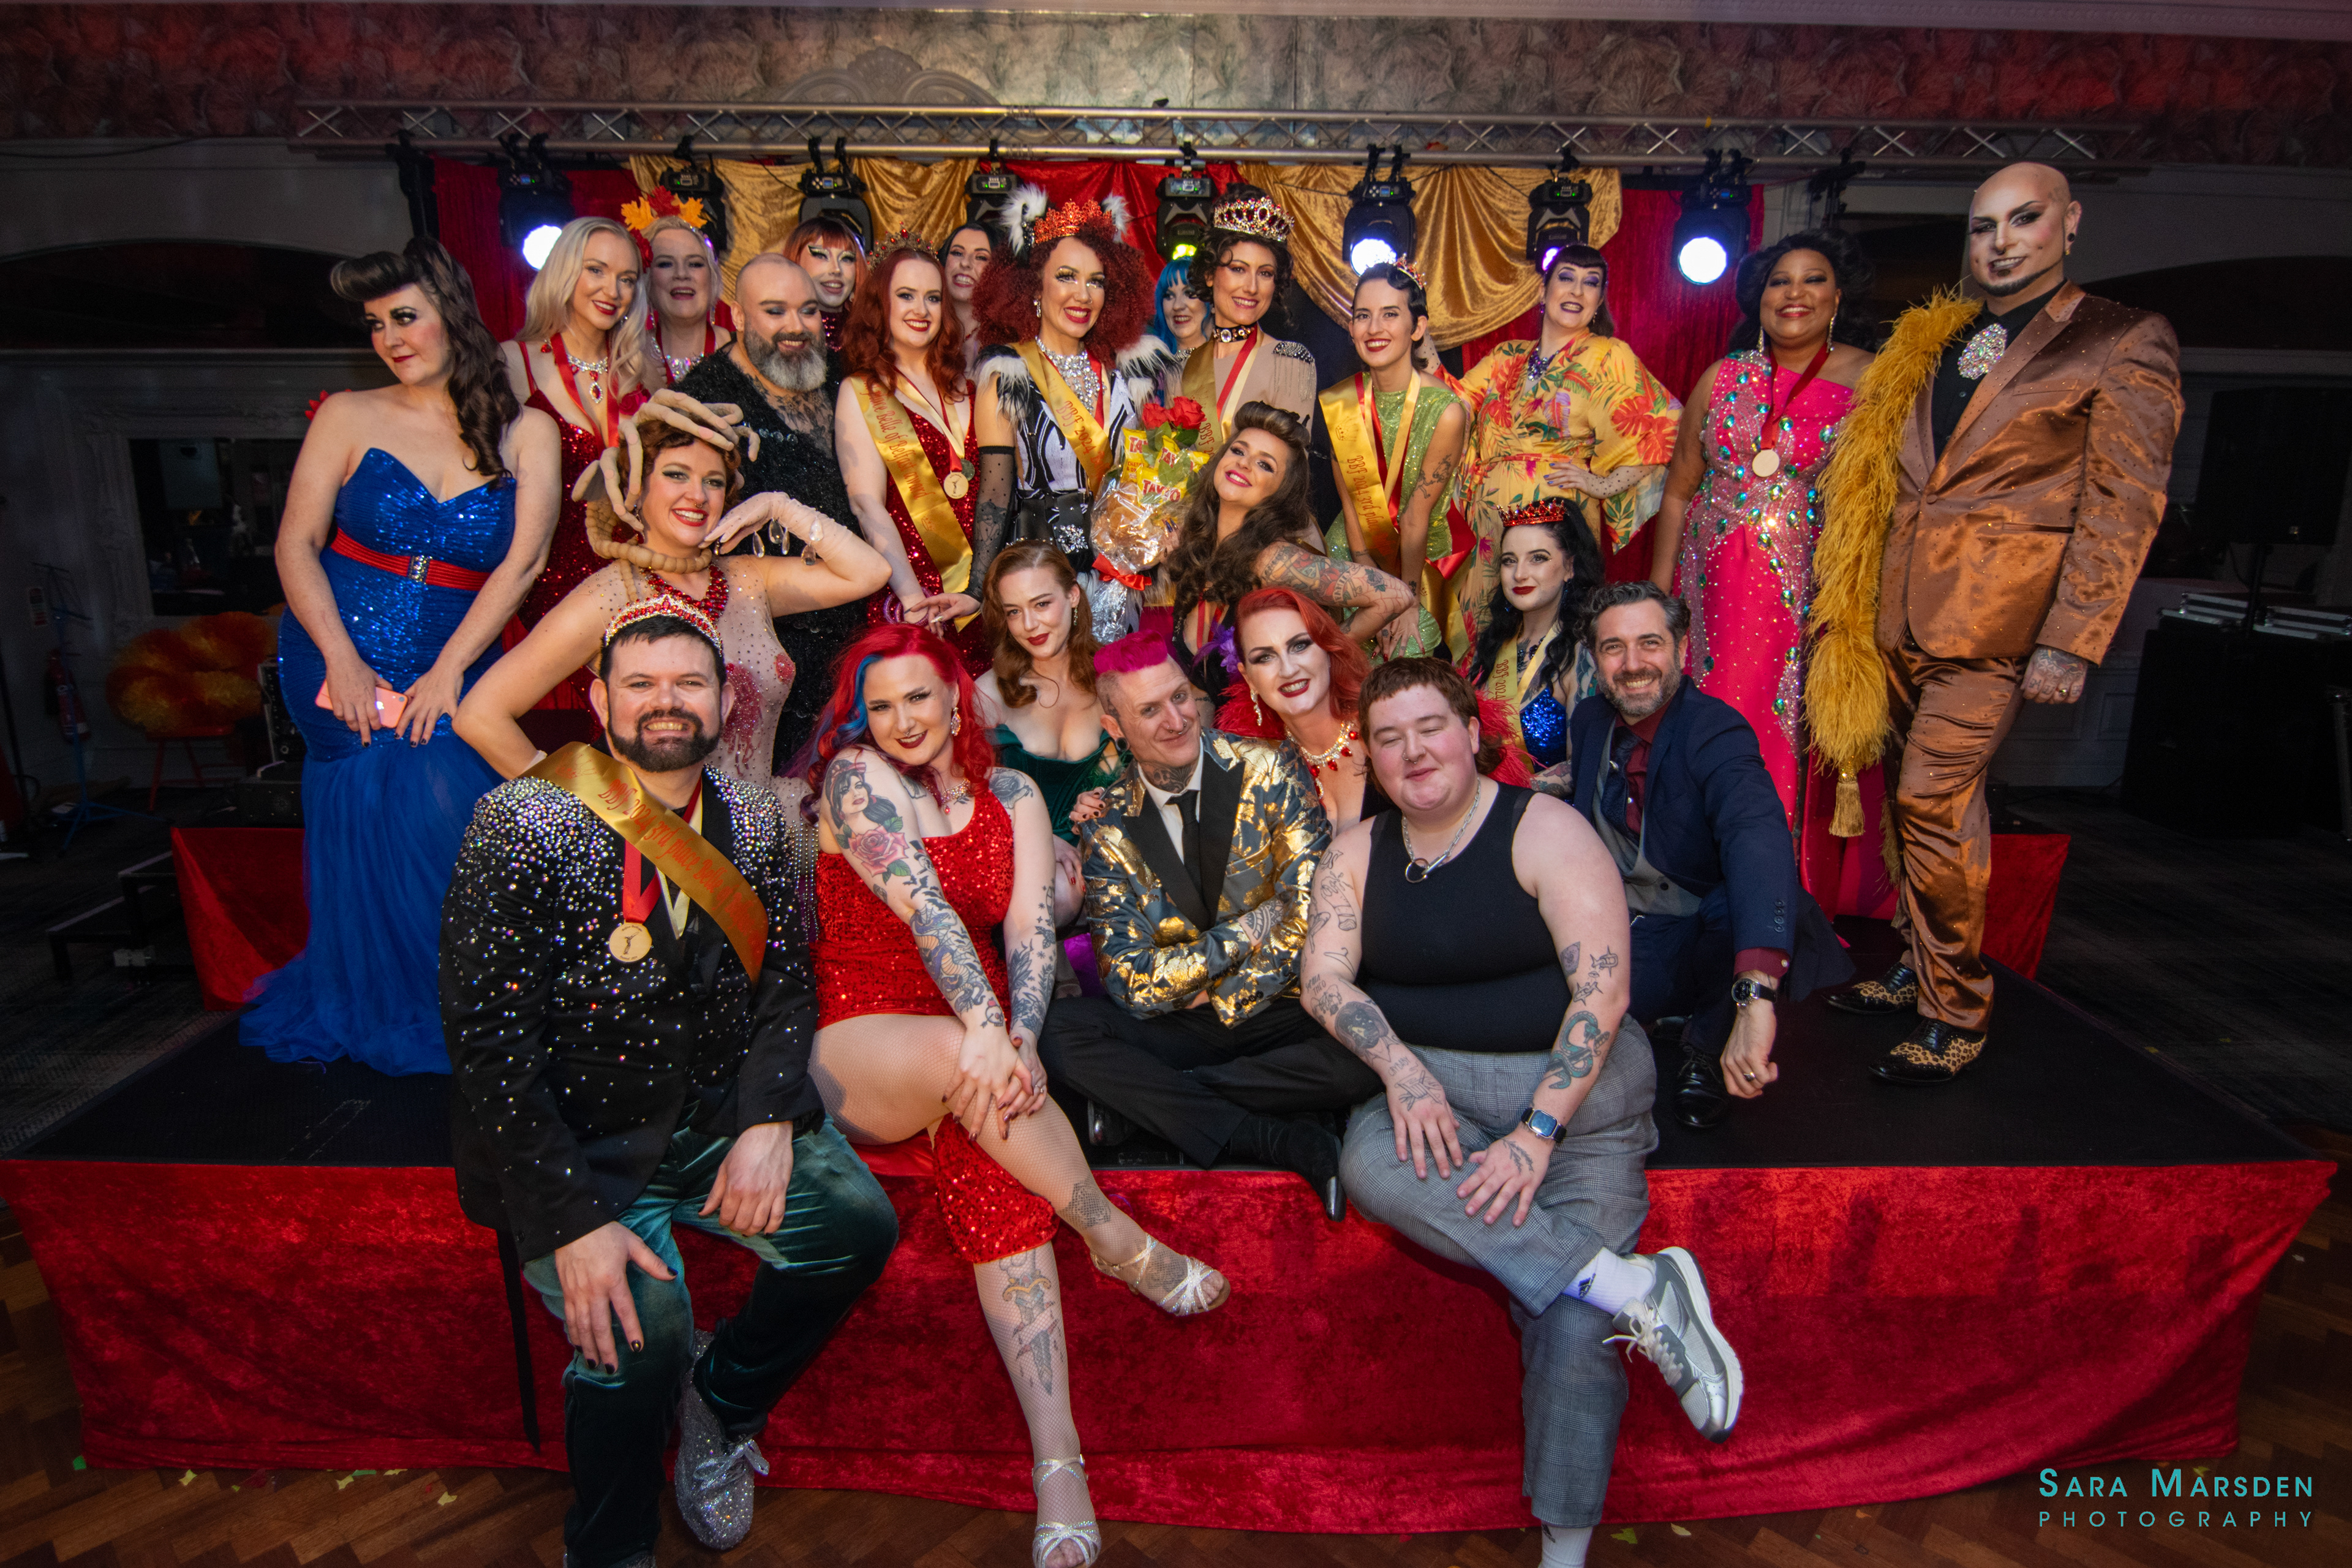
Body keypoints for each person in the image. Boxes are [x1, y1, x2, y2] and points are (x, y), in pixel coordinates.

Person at [442, 598, 899, 1564]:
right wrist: (570, 1220)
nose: (666, 701)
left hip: (714, 1117)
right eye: (641, 683)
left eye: (689, 682)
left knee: (857, 1226)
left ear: (727, 699)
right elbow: (489, 1045)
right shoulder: (523, 820)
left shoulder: (758, 821)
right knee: (636, 1340)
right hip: (579, 1148)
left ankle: (720, 1408)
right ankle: (610, 1547)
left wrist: (768, 1118)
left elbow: (786, 981)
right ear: (598, 700)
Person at [805, 623, 1231, 1568]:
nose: (902, 721)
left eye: (919, 697)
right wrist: (989, 1032)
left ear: (957, 697)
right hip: (864, 1038)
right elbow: (926, 911)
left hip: (986, 1042)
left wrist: (1023, 1035)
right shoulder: (856, 780)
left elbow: (1032, 932)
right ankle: (1113, 1238)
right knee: (965, 1061)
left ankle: (1058, 1463)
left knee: (992, 1161)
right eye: (881, 706)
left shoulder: (1014, 794)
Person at [1303, 657, 1742, 1568]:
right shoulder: (1354, 856)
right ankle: (1634, 1288)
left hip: (1577, 1102)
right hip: (1437, 1095)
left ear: (1473, 733)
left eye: (1431, 727)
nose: (1413, 751)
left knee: (1573, 1322)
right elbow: (1323, 981)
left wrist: (1540, 1131)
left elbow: (1603, 993)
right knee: (1370, 1163)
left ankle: (1565, 1549)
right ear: (1371, 757)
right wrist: (1400, 1070)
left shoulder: (1548, 829)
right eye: (1389, 738)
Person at [1811, 161, 2182, 1082]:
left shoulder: (2119, 338)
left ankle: (1957, 1008)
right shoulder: (1938, 335)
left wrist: (2071, 638)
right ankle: (1916, 961)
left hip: (1997, 624)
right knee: (1914, 807)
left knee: (1932, 802)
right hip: (1896, 611)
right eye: (1984, 227)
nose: (2002, 243)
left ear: (2071, 223)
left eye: (2024, 220)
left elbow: (2124, 503)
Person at [247, 238, 560, 1076]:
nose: (390, 338)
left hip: (457, 650)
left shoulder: (527, 430)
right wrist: (340, 659)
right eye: (376, 324)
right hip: (338, 643)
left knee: (451, 814)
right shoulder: (349, 414)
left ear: (451, 314)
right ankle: (387, 1002)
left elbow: (524, 564)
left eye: (405, 317)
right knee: (373, 807)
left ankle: (480, 1001)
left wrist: (451, 669)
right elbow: (295, 544)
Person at [1038, 631, 1379, 1223]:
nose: (1177, 721)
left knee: (1364, 1046)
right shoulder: (1107, 823)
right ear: (1115, 727)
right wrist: (1249, 929)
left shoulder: (1270, 768)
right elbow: (1130, 981)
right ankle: (1271, 1136)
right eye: (1150, 710)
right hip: (1180, 1021)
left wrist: (1225, 995)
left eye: (1180, 697)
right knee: (1060, 1033)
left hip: (1283, 1004)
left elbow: (1308, 914)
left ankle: (1148, 1104)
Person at [455, 398, 890, 812]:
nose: (698, 495)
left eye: (713, 481)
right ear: (635, 489)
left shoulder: (749, 578)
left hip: (765, 826)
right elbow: (480, 716)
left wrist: (782, 507)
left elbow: (870, 572)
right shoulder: (609, 596)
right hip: (668, 845)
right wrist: (590, 815)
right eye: (677, 475)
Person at [1564, 583, 1850, 1129]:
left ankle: (1707, 1045)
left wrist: (1757, 994)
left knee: (1754, 900)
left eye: (1650, 643)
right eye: (1613, 648)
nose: (1633, 664)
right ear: (1595, 659)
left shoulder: (1714, 729)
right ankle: (1656, 1015)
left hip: (1694, 929)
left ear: (1681, 648)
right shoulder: (1591, 720)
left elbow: (1754, 834)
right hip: (1619, 926)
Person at [1648, 230, 1876, 888]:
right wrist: (1658, 601)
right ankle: (1691, 885)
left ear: (1838, 295)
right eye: (1780, 281)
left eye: (1813, 279)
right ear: (1759, 297)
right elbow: (1678, 491)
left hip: (1803, 600)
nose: (1794, 293)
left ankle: (1770, 894)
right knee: (1703, 724)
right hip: (1709, 597)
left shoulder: (1869, 378)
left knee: (1776, 734)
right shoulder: (1722, 377)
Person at [676, 254, 873, 767]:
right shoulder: (703, 399)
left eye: (808, 311)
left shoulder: (845, 378)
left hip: (855, 631)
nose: (796, 326)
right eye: (774, 311)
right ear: (739, 316)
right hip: (765, 652)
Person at [1449, 244, 1680, 655]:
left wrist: (1602, 484)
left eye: (1591, 283)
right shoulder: (1506, 357)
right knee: (1481, 634)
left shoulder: (1608, 355)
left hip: (1556, 514)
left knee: (1552, 640)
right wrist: (1415, 347)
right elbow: (1451, 405)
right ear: (1543, 290)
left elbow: (1661, 425)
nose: (1576, 290)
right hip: (1490, 521)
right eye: (1567, 278)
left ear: (1600, 299)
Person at [968, 189, 1170, 638]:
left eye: (1096, 281)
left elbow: (1147, 479)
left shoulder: (1130, 374)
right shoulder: (1008, 374)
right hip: (1043, 583)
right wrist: (976, 587)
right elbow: (996, 493)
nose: (1083, 295)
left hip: (1118, 582)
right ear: (1033, 287)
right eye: (1066, 277)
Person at [1161, 401, 1416, 709]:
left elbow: (1394, 595)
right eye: (1239, 451)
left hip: (1274, 733)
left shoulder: (1273, 561)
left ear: (1282, 491)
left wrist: (1317, 655)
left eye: (1265, 465)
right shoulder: (1197, 547)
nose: (1244, 464)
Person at [504, 217, 656, 655]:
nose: (613, 290)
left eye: (627, 279)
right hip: (547, 588)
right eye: (596, 270)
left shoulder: (643, 371)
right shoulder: (512, 364)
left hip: (638, 584)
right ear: (564, 270)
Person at [835, 236, 988, 665]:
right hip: (915, 599)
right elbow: (866, 505)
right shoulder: (862, 391)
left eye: (933, 298)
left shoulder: (971, 387)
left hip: (980, 596)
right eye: (906, 295)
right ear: (880, 304)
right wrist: (913, 599)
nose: (921, 310)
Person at [1322, 262, 1466, 658]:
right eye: (1363, 316)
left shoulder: (1446, 411)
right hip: (1351, 553)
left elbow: (1417, 516)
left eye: (1390, 314)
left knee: (1406, 657)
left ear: (1417, 328)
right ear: (1351, 328)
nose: (1374, 329)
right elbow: (1349, 503)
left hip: (1419, 564)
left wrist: (1402, 601)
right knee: (1340, 666)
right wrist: (1368, 577)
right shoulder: (1342, 402)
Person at [977, 541, 1125, 844]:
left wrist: (1104, 797)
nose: (1029, 625)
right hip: (1020, 853)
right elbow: (967, 800)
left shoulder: (1114, 680)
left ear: (1073, 596)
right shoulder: (989, 693)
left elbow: (1134, 768)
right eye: (1014, 612)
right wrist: (1041, 840)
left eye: (1042, 604)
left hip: (1108, 853)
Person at [1464, 500, 1601, 772]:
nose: (1519, 574)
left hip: (1537, 800)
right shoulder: (1491, 644)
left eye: (1538, 558)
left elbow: (1582, 769)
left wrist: (1502, 792)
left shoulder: (1584, 653)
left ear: (1570, 567)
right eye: (1509, 561)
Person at [1176, 185, 1317, 439]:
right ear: (1209, 274)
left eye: (1265, 273)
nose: (1252, 287)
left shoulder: (1289, 363)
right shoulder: (1181, 366)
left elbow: (1291, 461)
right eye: (1238, 269)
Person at [641, 214, 734, 386]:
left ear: (713, 277)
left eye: (695, 264)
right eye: (665, 264)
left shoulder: (743, 354)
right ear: (646, 279)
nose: (682, 274)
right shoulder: (628, 359)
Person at [783, 214, 866, 355]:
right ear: (796, 260)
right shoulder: (778, 330)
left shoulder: (872, 334)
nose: (836, 270)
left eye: (847, 258)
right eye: (821, 256)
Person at [942, 220, 998, 375]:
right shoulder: (923, 330)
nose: (965, 264)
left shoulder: (1009, 342)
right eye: (958, 253)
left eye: (981, 257)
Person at [1148, 257, 1208, 401]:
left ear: (1210, 302)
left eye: (1190, 294)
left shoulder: (1229, 366)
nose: (1177, 306)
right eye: (1169, 296)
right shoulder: (1148, 374)